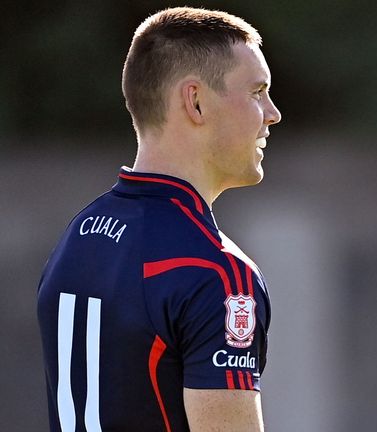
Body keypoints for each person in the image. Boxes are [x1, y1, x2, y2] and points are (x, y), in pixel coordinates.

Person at [37, 7, 281, 431]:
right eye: (257, 91)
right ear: (196, 102)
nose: (272, 113)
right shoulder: (217, 274)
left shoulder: (79, 235)